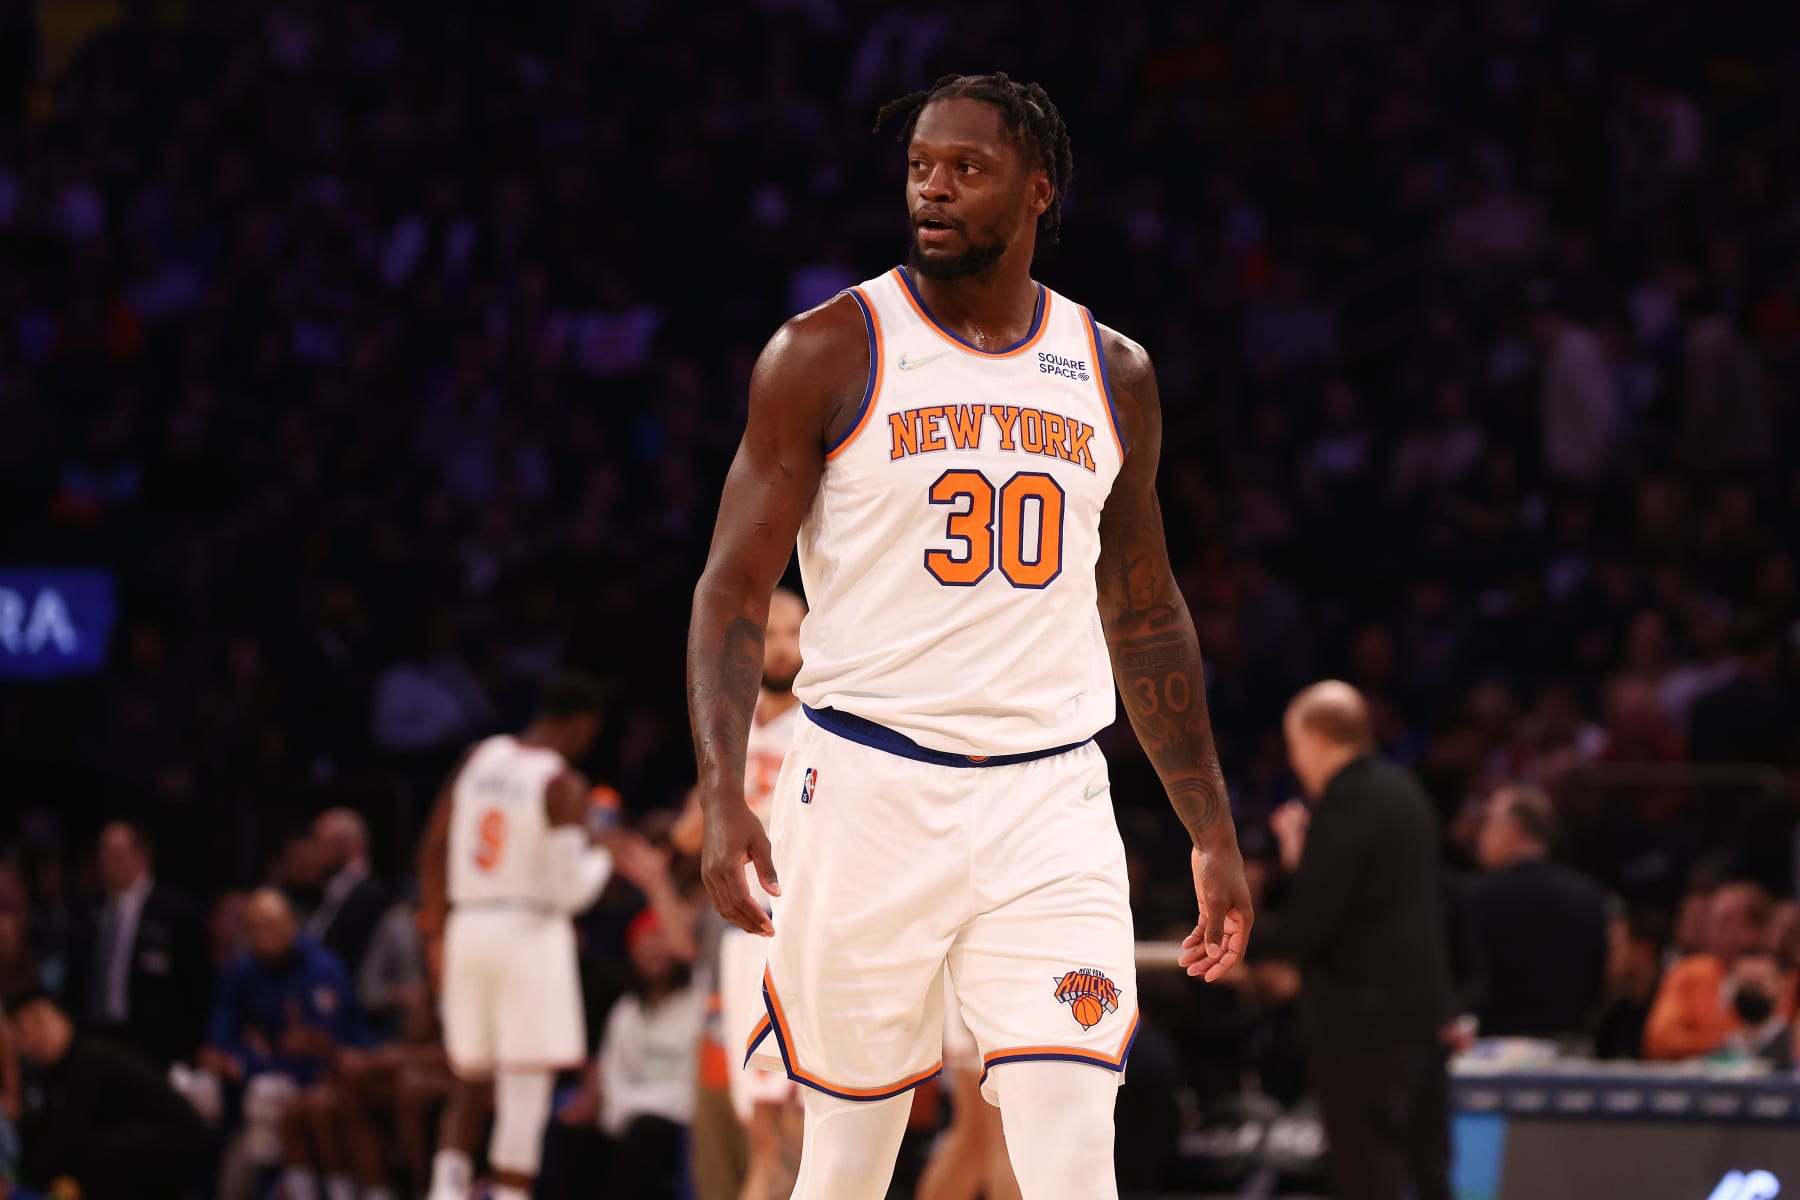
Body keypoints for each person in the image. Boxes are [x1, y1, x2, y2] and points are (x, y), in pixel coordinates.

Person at [688, 71, 1252, 1200]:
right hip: (865, 788)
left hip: (1050, 799)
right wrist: (721, 791)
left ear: (1039, 189)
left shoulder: (1113, 371)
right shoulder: (827, 350)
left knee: (1074, 1151)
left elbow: (1145, 611)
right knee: (848, 1161)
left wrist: (1211, 826)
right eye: (919, 167)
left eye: (966, 168)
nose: (932, 189)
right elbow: (733, 593)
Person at [416, 669, 614, 1200]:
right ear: (582, 725)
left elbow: (432, 848)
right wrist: (603, 855)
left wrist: (435, 933)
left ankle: (445, 1190)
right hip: (529, 932)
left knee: (468, 1080)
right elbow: (571, 891)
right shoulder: (561, 783)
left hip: (466, 926)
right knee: (524, 1088)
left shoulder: (478, 758)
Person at [1252, 682, 1454, 1200]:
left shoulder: (1343, 803)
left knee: (1366, 1172)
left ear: (1318, 738)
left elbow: (1312, 921)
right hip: (1421, 1018)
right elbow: (1373, 901)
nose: (1294, 761)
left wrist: (1238, 943)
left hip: (1361, 1026)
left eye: (1294, 746)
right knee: (1427, 1170)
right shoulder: (1405, 791)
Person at [715, 587, 807, 1200]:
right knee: (765, 1131)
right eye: (769, 632)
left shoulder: (825, 722)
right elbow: (690, 830)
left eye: (792, 632)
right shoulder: (730, 728)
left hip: (803, 932)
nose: (781, 646)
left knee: (807, 1121)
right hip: (746, 937)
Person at [5, 986, 208, 1200]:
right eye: (22, 1032)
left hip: (180, 1146)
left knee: (88, 1154)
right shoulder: (50, 1074)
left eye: (38, 1021)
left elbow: (66, 1134)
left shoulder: (89, 1059)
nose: (34, 1036)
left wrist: (21, 1187)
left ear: (63, 1018)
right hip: (142, 1147)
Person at [1468, 784, 1612, 1039]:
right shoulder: (1589, 895)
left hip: (1492, 1049)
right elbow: (1599, 982)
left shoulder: (1479, 898)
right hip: (1571, 1047)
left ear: (1514, 829)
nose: (1480, 835)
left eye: (1489, 822)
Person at [69, 821, 210, 1069]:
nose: (106, 862)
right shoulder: (88, 909)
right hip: (95, 1036)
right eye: (102, 853)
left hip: (154, 1044)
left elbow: (197, 985)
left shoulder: (175, 911)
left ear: (143, 857)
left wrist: (190, 1047)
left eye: (116, 854)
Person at [1643, 881, 1788, 1060]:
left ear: (1756, 930)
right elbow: (1660, 1040)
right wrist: (1728, 1042)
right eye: (1711, 920)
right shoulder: (1688, 973)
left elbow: (1785, 1037)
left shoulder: (1782, 979)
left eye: (1725, 921)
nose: (1713, 930)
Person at [305, 808, 391, 982]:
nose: (312, 853)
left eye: (319, 843)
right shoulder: (330, 891)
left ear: (342, 845)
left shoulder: (371, 896)